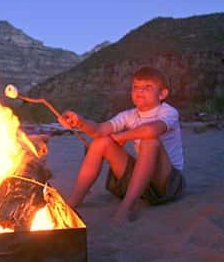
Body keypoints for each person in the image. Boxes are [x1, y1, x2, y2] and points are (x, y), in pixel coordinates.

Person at [58, 66, 185, 223]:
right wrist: (80, 122)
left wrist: (120, 137)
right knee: (101, 142)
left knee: (150, 142)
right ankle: (73, 201)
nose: (140, 91)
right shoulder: (129, 115)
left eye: (147, 87)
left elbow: (151, 130)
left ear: (162, 94)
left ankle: (126, 207)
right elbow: (99, 130)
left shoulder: (168, 112)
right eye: (136, 87)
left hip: (167, 182)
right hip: (144, 182)